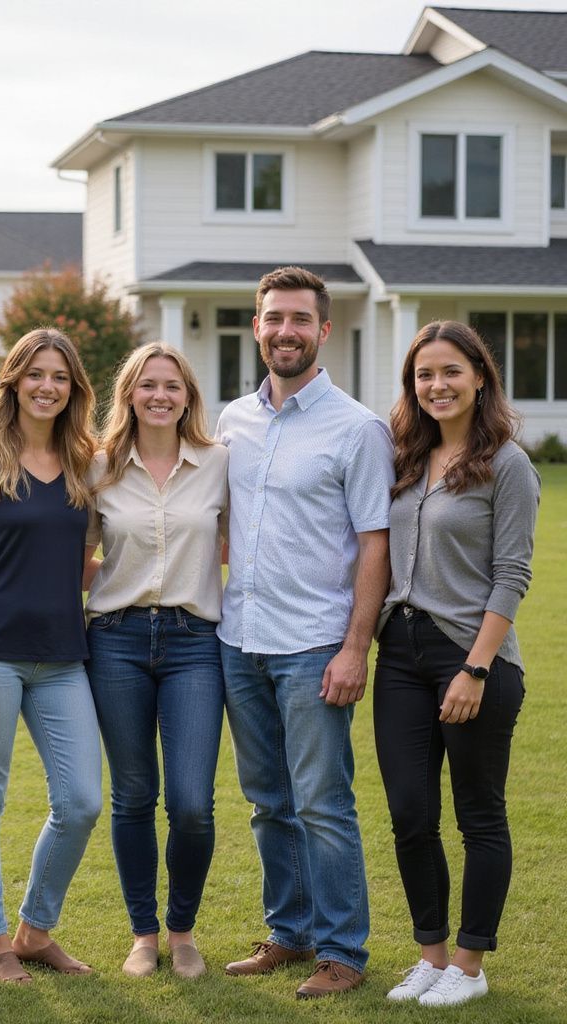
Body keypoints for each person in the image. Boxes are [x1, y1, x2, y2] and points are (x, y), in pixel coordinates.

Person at [216, 266, 394, 999]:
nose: (284, 330)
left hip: (316, 645)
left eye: (299, 319)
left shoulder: (357, 428)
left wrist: (356, 647)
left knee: (323, 802)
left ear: (323, 329)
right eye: (272, 318)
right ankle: (290, 935)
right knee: (267, 802)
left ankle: (343, 950)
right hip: (238, 640)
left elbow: (375, 545)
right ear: (256, 327)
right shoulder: (232, 420)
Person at [373, 321, 539, 1007]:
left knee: (478, 814)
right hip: (400, 654)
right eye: (423, 375)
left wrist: (475, 669)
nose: (436, 386)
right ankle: (431, 957)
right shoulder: (405, 458)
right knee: (410, 813)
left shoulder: (508, 465)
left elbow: (511, 574)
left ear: (479, 377)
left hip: (472, 654)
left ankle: (470, 966)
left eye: (449, 372)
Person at [0, 328, 102, 983]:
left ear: (74, 389)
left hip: (65, 657)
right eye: (35, 374)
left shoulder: (84, 463)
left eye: (60, 377)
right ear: (13, 381)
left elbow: (87, 559)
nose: (47, 387)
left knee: (83, 801)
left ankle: (35, 931)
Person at [85, 342, 228, 979]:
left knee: (193, 802)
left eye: (172, 385)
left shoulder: (219, 463)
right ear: (129, 395)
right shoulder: (100, 466)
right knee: (134, 794)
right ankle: (144, 934)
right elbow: (75, 553)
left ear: (189, 396)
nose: (160, 396)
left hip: (195, 641)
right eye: (148, 385)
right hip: (114, 638)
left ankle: (183, 931)